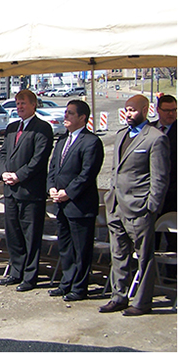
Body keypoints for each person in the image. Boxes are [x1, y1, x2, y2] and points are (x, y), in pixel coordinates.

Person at [100, 94, 170, 316]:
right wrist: (111, 196)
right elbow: (116, 170)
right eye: (126, 109)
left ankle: (141, 301)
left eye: (132, 110)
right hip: (117, 207)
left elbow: (159, 177)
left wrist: (151, 207)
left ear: (145, 110)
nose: (128, 114)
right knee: (118, 254)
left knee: (143, 257)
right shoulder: (121, 135)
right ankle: (118, 296)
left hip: (139, 209)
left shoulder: (155, 138)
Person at [46, 100, 104, 301]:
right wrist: (51, 187)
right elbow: (53, 168)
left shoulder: (91, 142)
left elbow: (87, 174)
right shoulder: (62, 140)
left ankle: (79, 288)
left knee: (81, 249)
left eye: (70, 113)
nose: (66, 117)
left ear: (82, 118)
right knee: (65, 247)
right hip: (61, 204)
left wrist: (69, 192)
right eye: (66, 112)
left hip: (80, 205)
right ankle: (66, 282)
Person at [0, 89, 53, 292]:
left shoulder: (42, 128)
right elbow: (3, 154)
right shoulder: (12, 127)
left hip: (30, 191)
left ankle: (30, 277)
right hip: (10, 190)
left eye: (23, 103)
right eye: (17, 103)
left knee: (30, 235)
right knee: (13, 234)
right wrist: (4, 173)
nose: (19, 106)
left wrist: (19, 175)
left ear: (34, 104)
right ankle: (15, 271)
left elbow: (39, 160)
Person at [150, 95, 177, 281]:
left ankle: (172, 275)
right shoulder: (149, 130)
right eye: (167, 110)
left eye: (174, 110)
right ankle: (151, 274)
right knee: (151, 237)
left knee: (173, 237)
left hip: (174, 193)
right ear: (158, 110)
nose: (171, 114)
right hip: (152, 193)